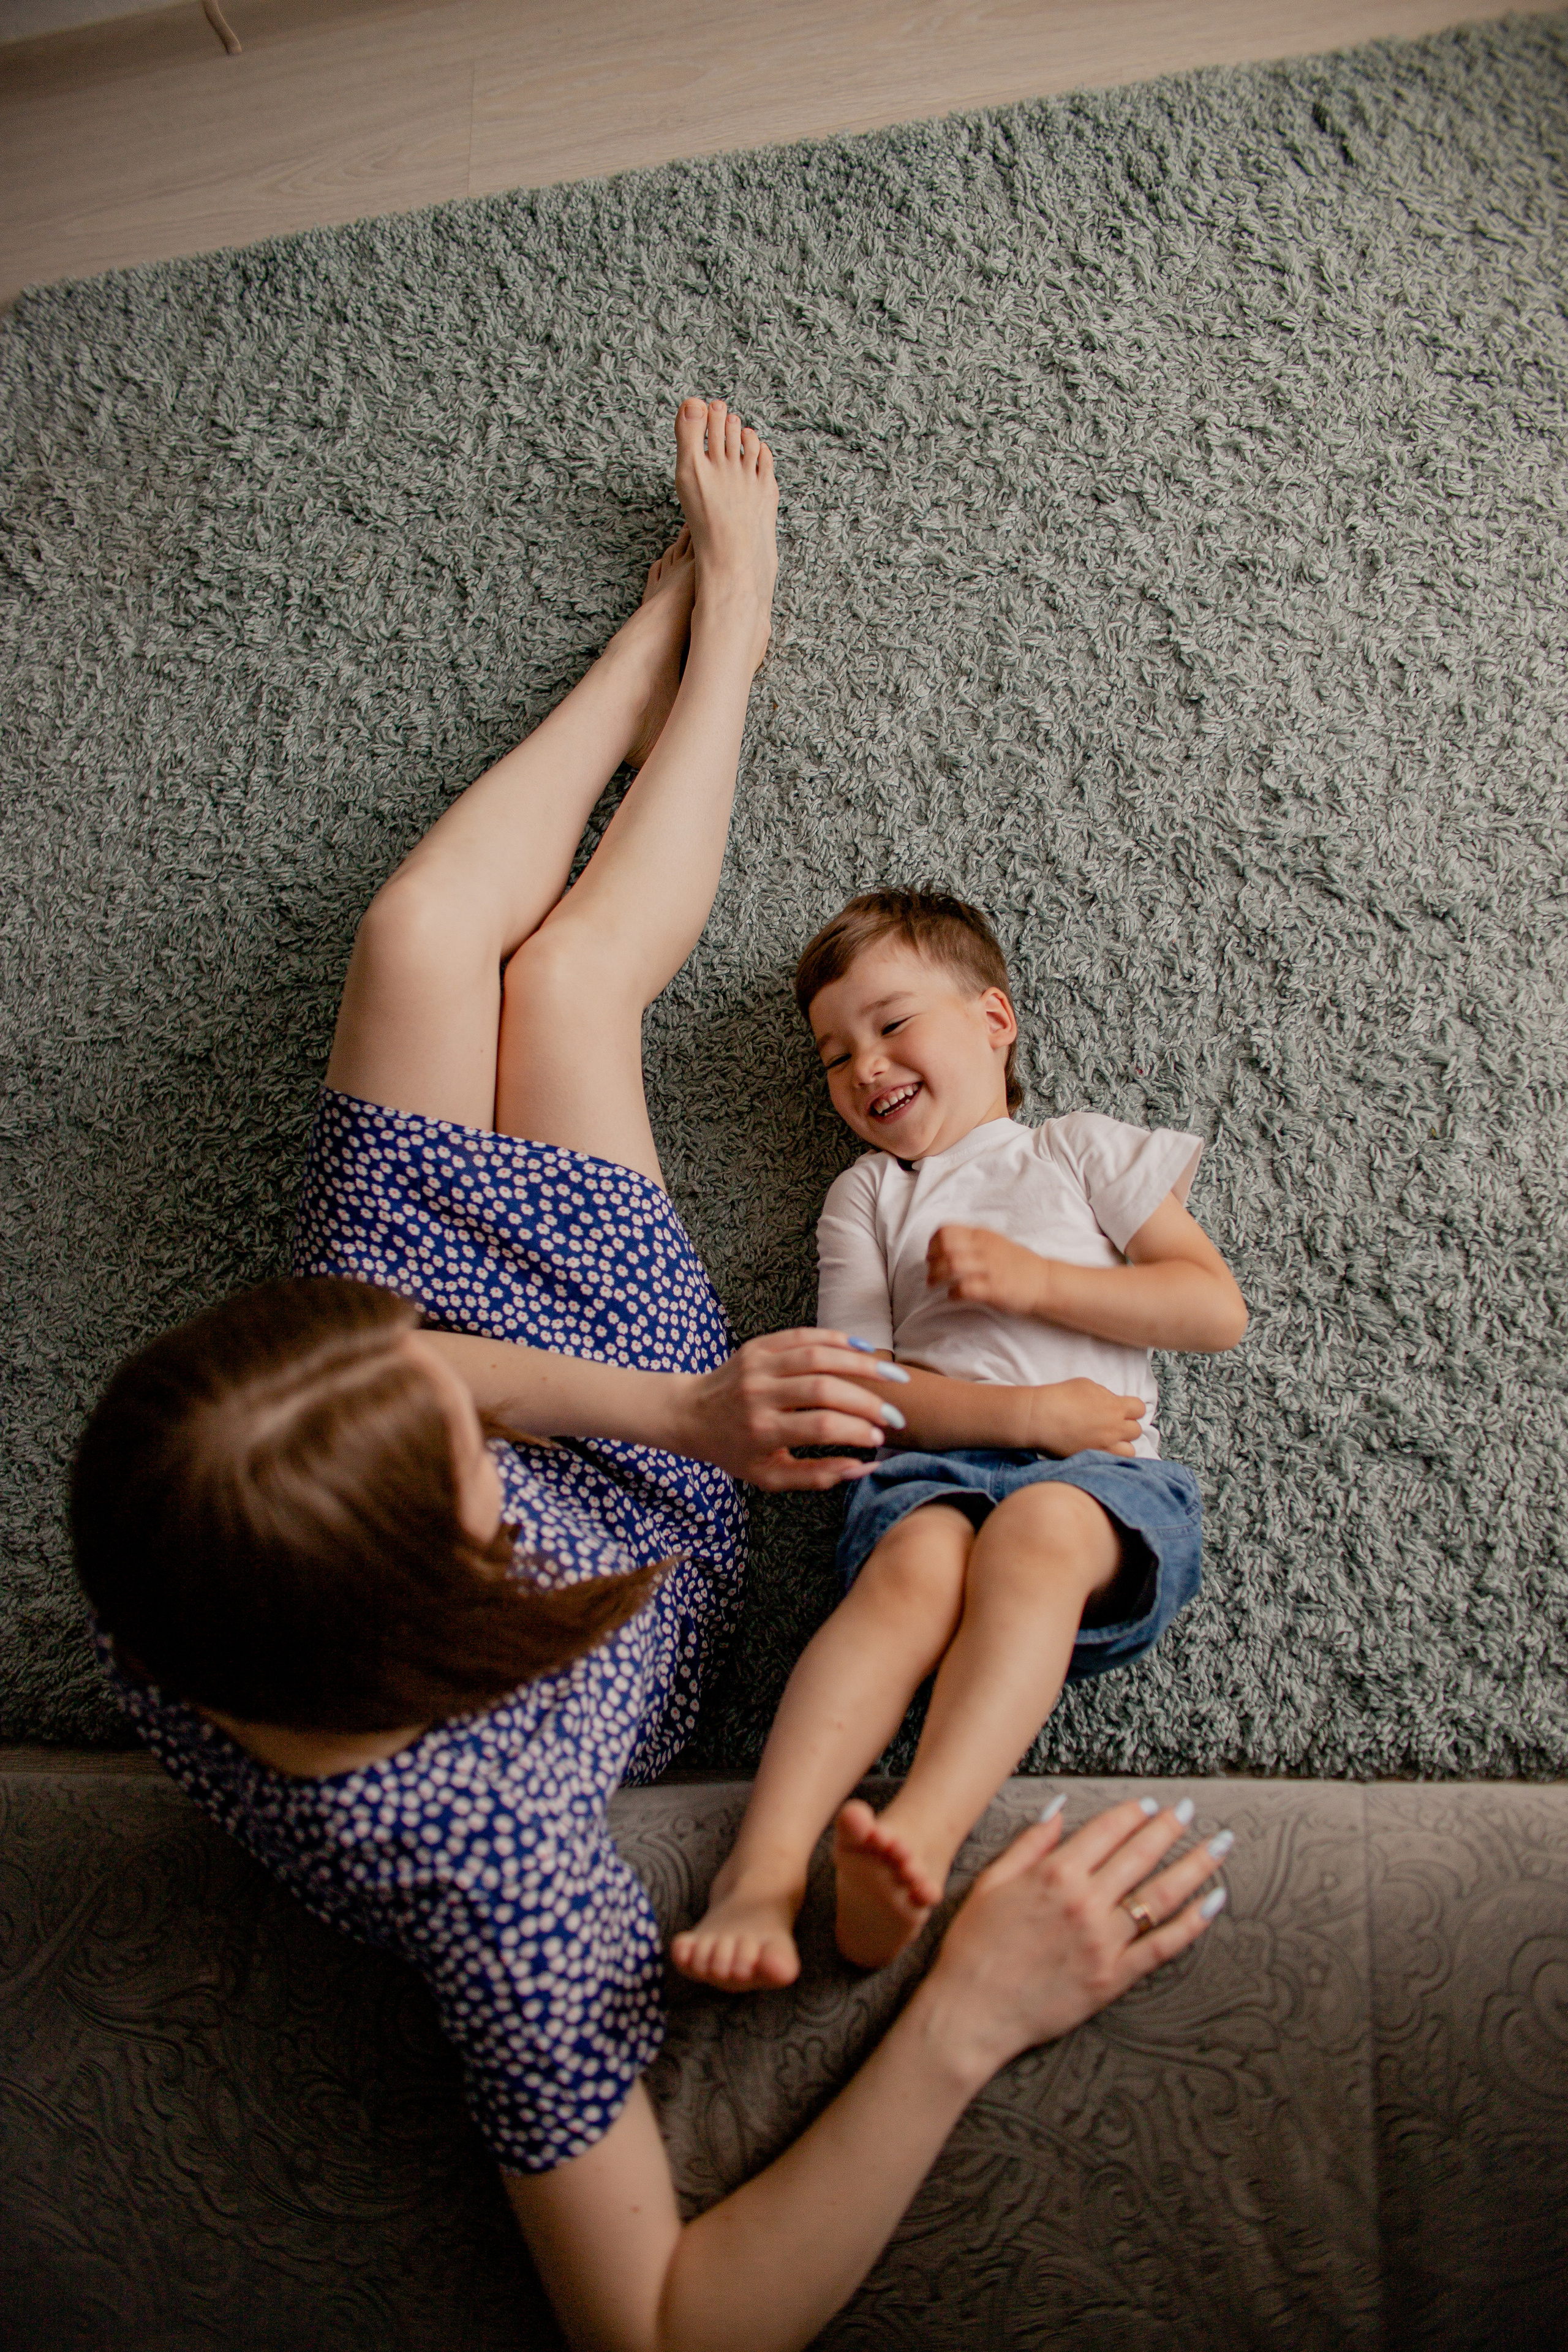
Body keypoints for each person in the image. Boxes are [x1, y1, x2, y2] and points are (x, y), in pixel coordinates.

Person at [74, 401, 1231, 2352]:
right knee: (569, 980)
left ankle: (663, 647)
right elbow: (667, 2328)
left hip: (449, 1378)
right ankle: (739, 613)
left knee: (424, 931)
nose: (463, 1384)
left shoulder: (175, 1553)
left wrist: (431, 1366)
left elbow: (413, 1362)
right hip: (637, 1489)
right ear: (461, 1580)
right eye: (452, 1436)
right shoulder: (508, 1881)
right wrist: (963, 2018)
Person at [674, 888, 1247, 1991]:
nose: (865, 1068)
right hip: (932, 1466)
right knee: (912, 1574)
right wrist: (1020, 1416)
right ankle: (764, 1866)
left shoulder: (1079, 1153)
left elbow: (1209, 1307)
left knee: (1036, 1533)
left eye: (892, 1024)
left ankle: (922, 1835)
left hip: (1101, 1478)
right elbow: (858, 1387)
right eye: (835, 1058)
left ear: (994, 1019)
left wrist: (1039, 1282)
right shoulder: (868, 1196)